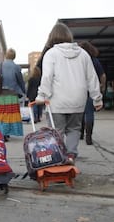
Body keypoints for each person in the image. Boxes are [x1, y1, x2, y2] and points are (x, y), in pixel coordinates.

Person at [35, 23, 103, 165]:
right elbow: (92, 77)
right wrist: (97, 99)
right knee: (74, 129)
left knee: (56, 130)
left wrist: (42, 96)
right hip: (78, 100)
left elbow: (47, 77)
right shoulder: (83, 54)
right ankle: (71, 155)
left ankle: (58, 158)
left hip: (57, 101)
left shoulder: (51, 54)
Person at [0, 48, 26, 142]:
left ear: (6, 55)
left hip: (1, 94)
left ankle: (3, 132)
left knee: (2, 113)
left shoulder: (0, 65)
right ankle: (7, 132)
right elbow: (21, 81)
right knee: (11, 113)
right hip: (12, 94)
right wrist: (23, 91)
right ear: (14, 56)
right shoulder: (16, 67)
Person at [78, 41, 106, 145]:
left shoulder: (78, 61)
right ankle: (88, 137)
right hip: (92, 90)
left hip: (80, 90)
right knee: (89, 113)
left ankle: (80, 133)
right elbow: (102, 75)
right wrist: (102, 86)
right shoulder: (95, 61)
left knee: (80, 113)